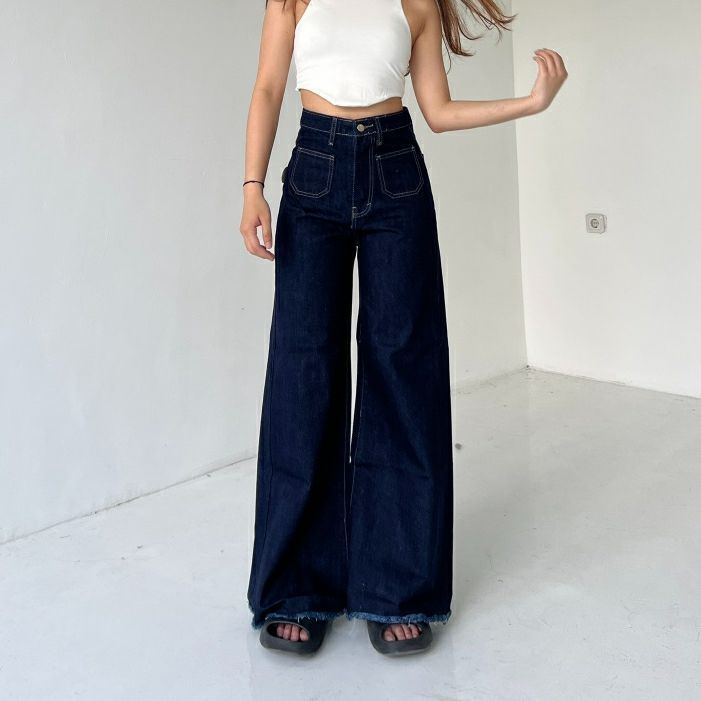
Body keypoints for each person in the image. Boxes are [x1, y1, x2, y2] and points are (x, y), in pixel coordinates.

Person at [239, 0, 567, 656]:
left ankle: (397, 588)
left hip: (395, 174)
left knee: (403, 371)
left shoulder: (415, 3)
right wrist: (252, 186)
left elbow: (437, 112)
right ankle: (297, 589)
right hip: (312, 170)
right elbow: (269, 86)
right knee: (304, 375)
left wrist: (530, 104)